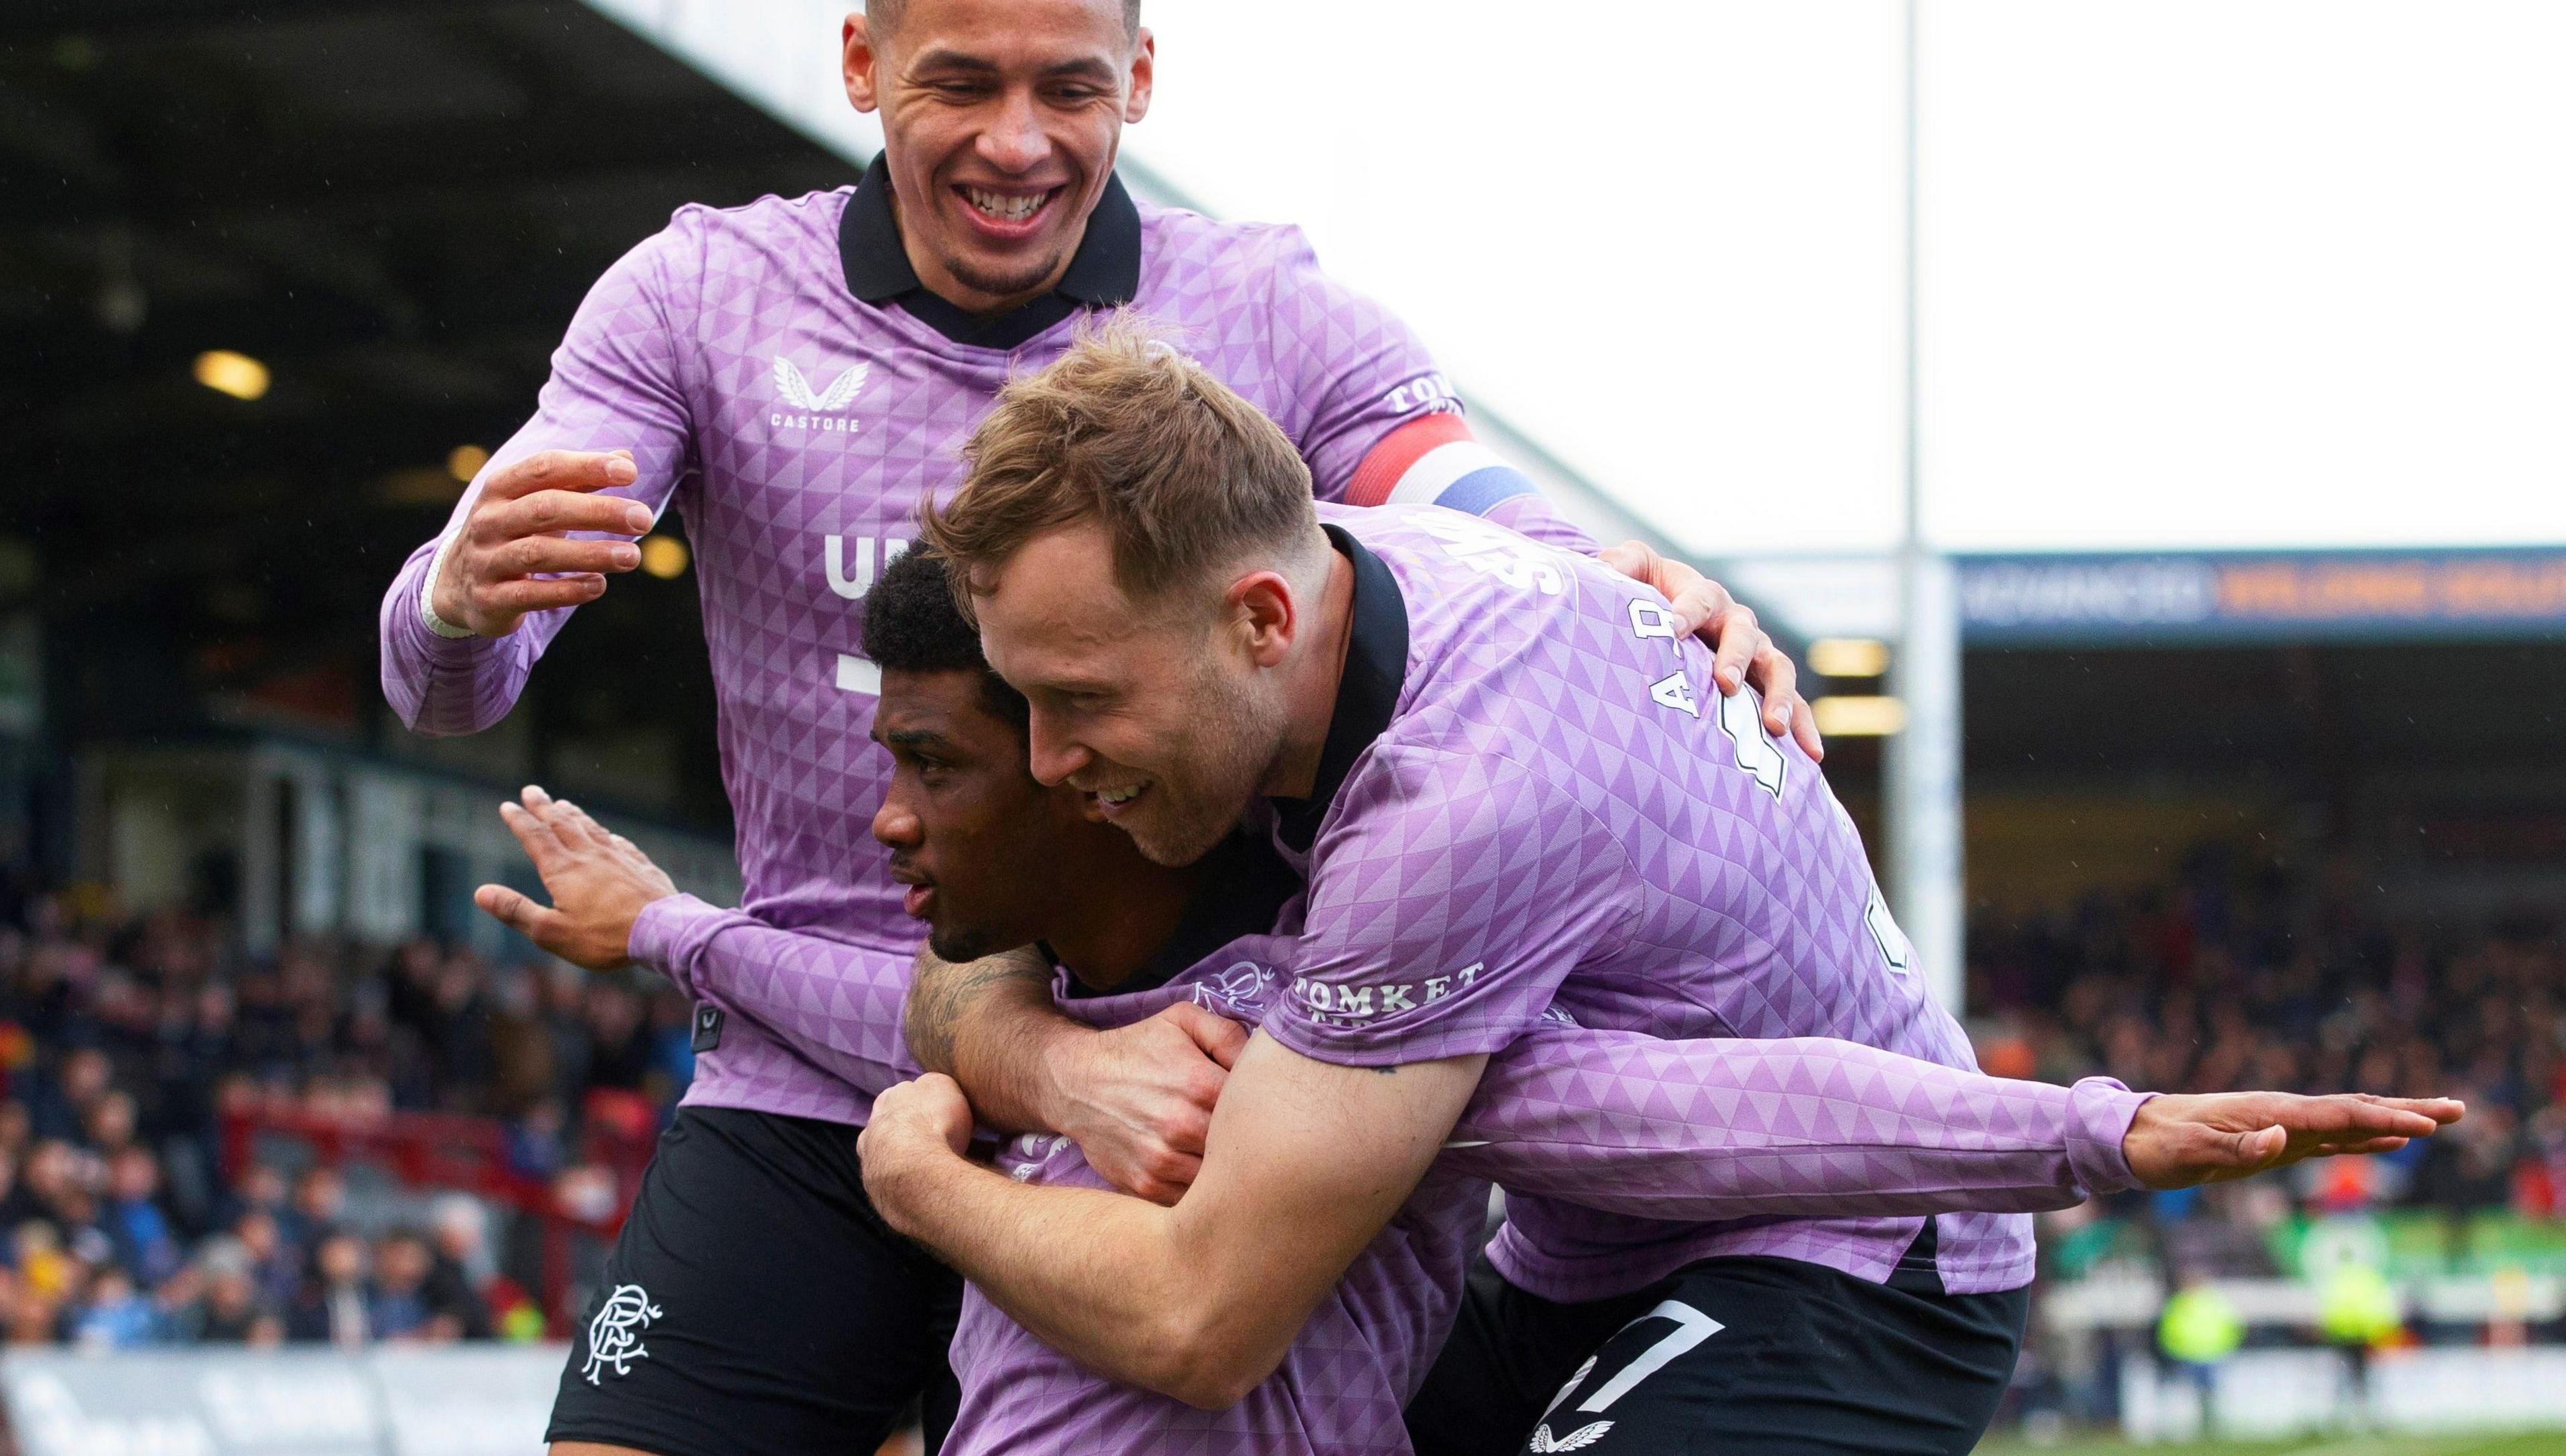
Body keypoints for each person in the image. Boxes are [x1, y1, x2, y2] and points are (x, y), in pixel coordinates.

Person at [392, 2, 1804, 1452]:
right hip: (815, 1078)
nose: (1017, 142)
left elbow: (1461, 502)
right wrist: (455, 604)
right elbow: (452, 685)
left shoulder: (1267, 307)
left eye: (1068, 87)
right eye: (961, 84)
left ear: (1137, 77)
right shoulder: (698, 298)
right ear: (863, 65)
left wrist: (1608, 585)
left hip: (1181, 1085)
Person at [868, 327, 2461, 1455]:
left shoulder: (1452, 815)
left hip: (1851, 1258)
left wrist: (921, 1179)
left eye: (1081, 700)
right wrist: (1048, 1061)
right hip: (1591, 1250)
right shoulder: (1348, 569)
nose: (1054, 757)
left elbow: (1204, 1321)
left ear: (1264, 620)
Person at [497, 545, 2457, 1455]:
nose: (886, 820)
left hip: (1837, 1273)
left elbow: (1673, 1122)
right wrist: (670, 932)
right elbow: (851, 1000)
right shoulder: (1005, 992)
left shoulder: (1331, 989)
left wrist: (2090, 1131)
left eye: (950, 764)